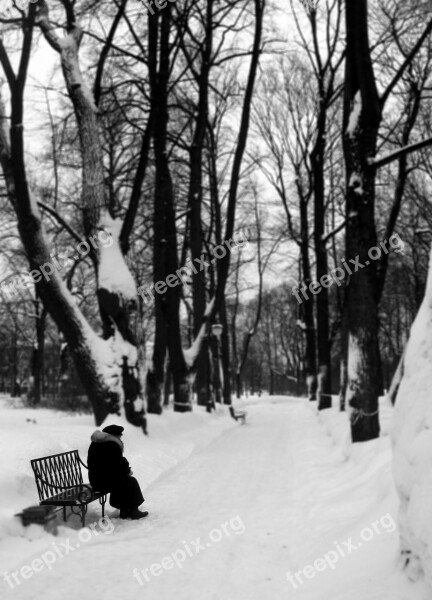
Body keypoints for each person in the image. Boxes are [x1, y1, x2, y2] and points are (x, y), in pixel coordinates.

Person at [87, 424, 148, 520]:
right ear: (114, 435)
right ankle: (133, 511)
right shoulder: (111, 444)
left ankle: (125, 511)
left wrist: (125, 470)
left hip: (97, 478)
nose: (121, 437)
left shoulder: (97, 443)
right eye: (120, 435)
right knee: (130, 482)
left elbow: (112, 464)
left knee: (125, 481)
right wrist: (127, 471)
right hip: (102, 480)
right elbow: (117, 463)